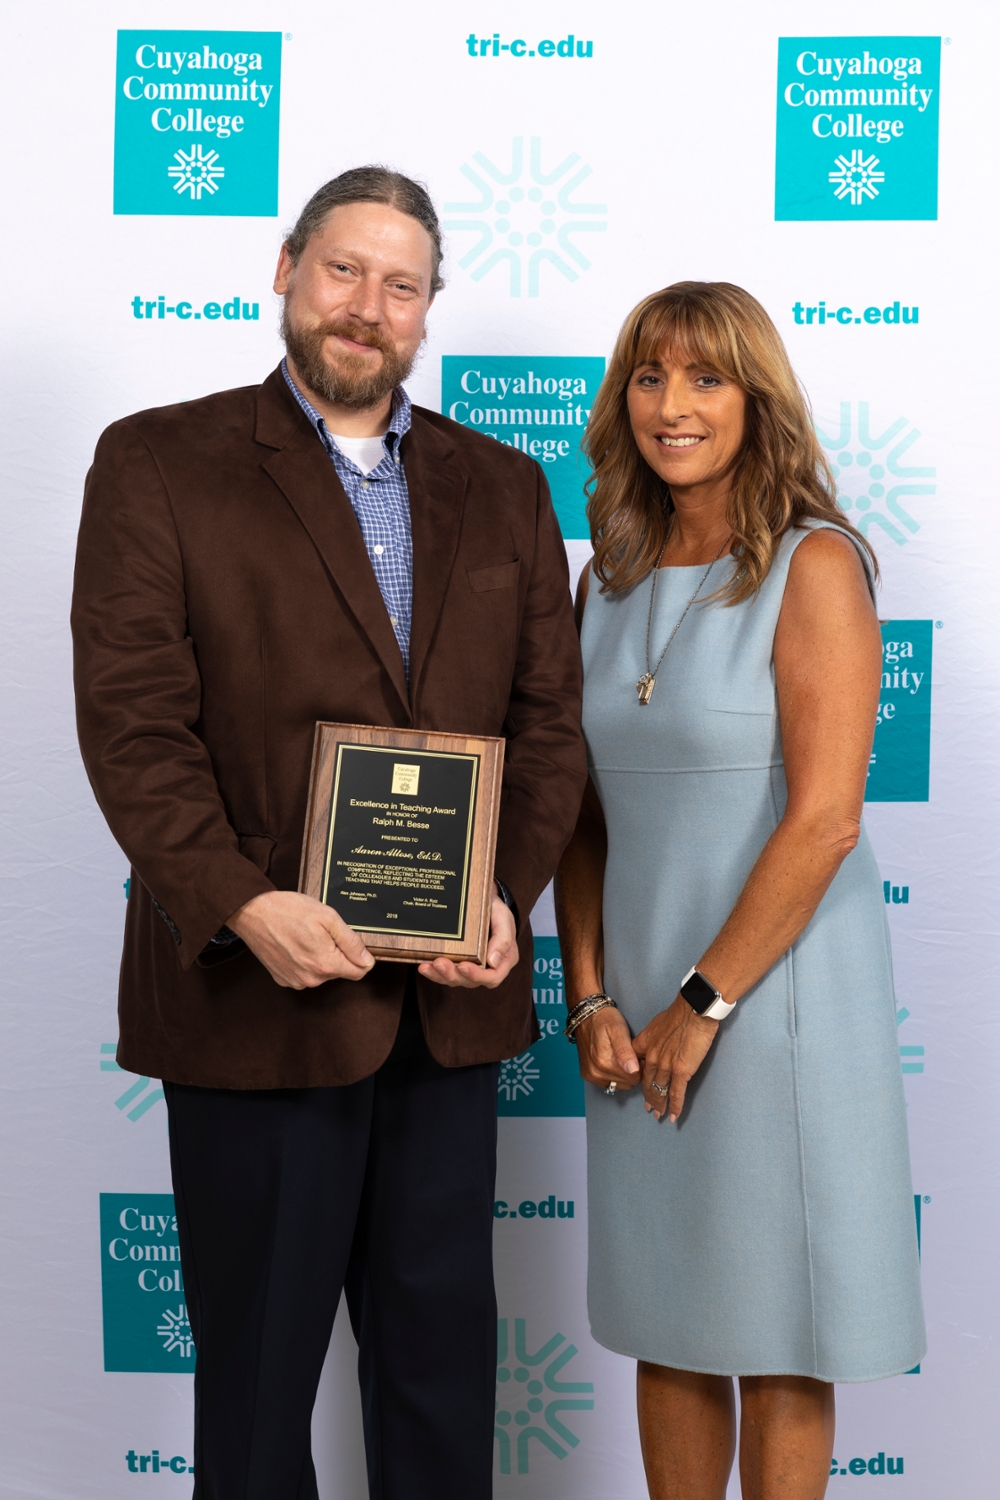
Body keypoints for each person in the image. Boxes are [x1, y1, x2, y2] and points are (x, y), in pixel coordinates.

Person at [72, 167, 586, 1500]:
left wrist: (500, 895)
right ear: (286, 268)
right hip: (258, 1005)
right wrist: (243, 903)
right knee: (254, 1412)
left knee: (438, 1393)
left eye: (401, 285)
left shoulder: (510, 487)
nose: (368, 308)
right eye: (344, 270)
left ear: (428, 312)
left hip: (446, 1015)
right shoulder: (158, 460)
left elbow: (548, 730)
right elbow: (135, 727)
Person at [555, 282, 925, 1500]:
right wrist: (596, 996)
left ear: (755, 399)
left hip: (774, 995)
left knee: (773, 1322)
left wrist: (701, 1004)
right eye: (650, 378)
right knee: (671, 1307)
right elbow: (583, 815)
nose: (672, 406)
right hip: (642, 990)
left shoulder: (815, 564)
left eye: (706, 379)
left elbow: (823, 821)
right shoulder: (600, 576)